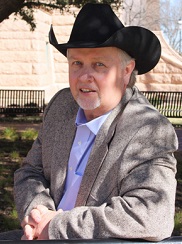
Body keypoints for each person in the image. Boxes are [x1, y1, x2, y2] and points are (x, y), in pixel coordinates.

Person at [11, 3, 178, 242]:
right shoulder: (61, 106)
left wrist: (55, 227)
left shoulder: (149, 129)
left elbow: (152, 216)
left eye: (99, 64)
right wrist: (37, 213)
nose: (83, 76)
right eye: (76, 63)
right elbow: (30, 171)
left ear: (126, 70)